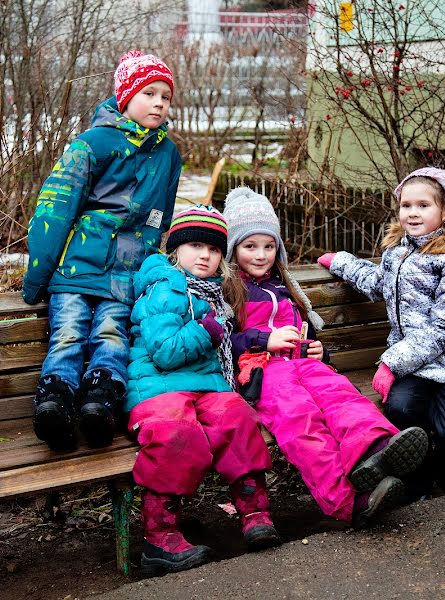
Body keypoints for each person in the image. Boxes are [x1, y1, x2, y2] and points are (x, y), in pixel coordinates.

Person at [223, 187, 428, 527]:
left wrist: (319, 348)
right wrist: (264, 339)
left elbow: (305, 328)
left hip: (306, 364)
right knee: (303, 424)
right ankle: (349, 503)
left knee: (342, 396)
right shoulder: (228, 290)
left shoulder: (284, 286)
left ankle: (376, 451)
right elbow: (224, 341)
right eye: (250, 246)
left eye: (269, 246)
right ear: (233, 248)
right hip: (264, 372)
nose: (261, 255)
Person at [22, 50, 182, 452]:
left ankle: (100, 405)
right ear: (125, 97)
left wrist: (149, 266)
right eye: (150, 93)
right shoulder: (92, 144)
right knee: (68, 335)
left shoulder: (168, 154)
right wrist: (37, 278)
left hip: (125, 275)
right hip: (76, 269)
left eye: (166, 95)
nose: (160, 103)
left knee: (112, 337)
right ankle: (55, 405)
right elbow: (54, 211)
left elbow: (161, 217)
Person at [126, 205, 281, 576]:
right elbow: (164, 352)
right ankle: (159, 539)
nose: (205, 255)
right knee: (176, 434)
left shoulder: (215, 294)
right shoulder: (163, 288)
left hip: (206, 386)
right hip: (157, 388)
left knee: (238, 418)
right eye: (195, 245)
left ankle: (255, 514)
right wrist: (207, 330)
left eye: (213, 249)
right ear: (175, 250)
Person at [319, 167, 445, 496]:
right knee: (401, 411)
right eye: (406, 205)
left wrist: (390, 363)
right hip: (413, 364)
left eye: (423, 205)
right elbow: (378, 284)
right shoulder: (398, 253)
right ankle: (418, 485)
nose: (412, 212)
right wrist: (340, 261)